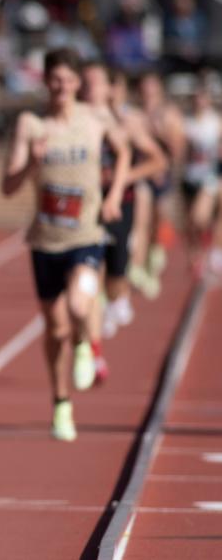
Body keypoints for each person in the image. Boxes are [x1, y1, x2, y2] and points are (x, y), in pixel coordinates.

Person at [1, 47, 129, 442]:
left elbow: (123, 152)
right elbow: (8, 187)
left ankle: (87, 344)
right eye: (54, 80)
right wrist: (33, 164)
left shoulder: (96, 118)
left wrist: (113, 196)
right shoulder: (31, 125)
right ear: (46, 82)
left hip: (87, 235)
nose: (61, 87)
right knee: (54, 328)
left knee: (79, 303)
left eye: (68, 80)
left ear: (77, 83)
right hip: (45, 241)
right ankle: (61, 403)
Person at [79, 62, 166, 361]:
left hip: (120, 202)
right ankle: (92, 343)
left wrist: (122, 177)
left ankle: (117, 297)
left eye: (104, 85)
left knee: (116, 270)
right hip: (87, 203)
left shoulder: (128, 124)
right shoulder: (78, 119)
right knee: (89, 267)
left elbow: (158, 160)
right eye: (87, 84)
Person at [136, 71, 187, 296]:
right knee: (141, 221)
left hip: (163, 175)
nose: (148, 90)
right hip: (142, 176)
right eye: (144, 86)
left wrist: (160, 134)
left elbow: (177, 148)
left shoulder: (169, 114)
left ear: (158, 88)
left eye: (151, 86)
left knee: (158, 221)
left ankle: (154, 257)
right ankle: (140, 266)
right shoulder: (135, 113)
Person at [180, 82, 222, 277]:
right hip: (189, 177)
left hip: (210, 177)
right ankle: (196, 253)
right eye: (196, 98)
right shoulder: (186, 122)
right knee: (191, 223)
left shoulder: (215, 122)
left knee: (200, 217)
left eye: (202, 97)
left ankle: (213, 250)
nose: (199, 101)